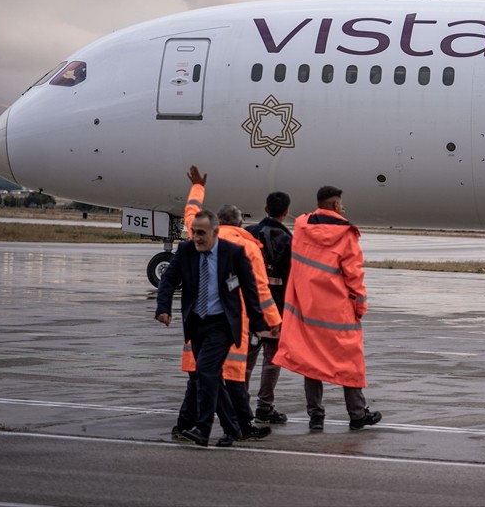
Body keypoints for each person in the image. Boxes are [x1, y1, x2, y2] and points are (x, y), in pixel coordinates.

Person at [155, 179, 271, 447]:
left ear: (216, 231)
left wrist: (259, 323)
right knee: (213, 378)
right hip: (196, 324)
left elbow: (254, 290)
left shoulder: (237, 252)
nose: (196, 237)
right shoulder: (187, 248)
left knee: (206, 372)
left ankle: (202, 429)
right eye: (193, 233)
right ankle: (233, 429)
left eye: (201, 234)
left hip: (223, 324)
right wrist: (163, 308)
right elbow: (168, 279)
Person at [273, 186, 381, 431]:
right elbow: (354, 275)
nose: (343, 208)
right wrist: (360, 305)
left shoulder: (301, 228)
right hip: (337, 311)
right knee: (350, 362)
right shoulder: (346, 234)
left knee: (312, 361)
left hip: (307, 308)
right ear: (334, 206)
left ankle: (316, 415)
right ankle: (356, 414)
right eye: (341, 204)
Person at [244, 190, 293, 424]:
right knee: (271, 361)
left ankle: (239, 402)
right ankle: (265, 406)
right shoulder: (287, 239)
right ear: (285, 213)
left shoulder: (248, 234)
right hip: (275, 311)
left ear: (265, 209)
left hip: (249, 310)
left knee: (246, 358)